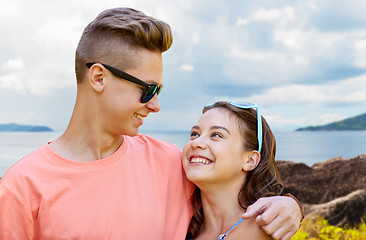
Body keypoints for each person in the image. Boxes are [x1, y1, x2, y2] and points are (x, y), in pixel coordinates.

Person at [0, 7, 302, 240]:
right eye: (148, 90)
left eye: (159, 91)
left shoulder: (173, 164)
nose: (155, 105)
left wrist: (291, 206)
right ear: (99, 77)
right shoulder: (21, 187)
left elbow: (235, 192)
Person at [183, 101, 297, 240]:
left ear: (250, 160)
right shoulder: (182, 228)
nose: (196, 143)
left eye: (216, 135)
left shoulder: (264, 231)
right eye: (195, 134)